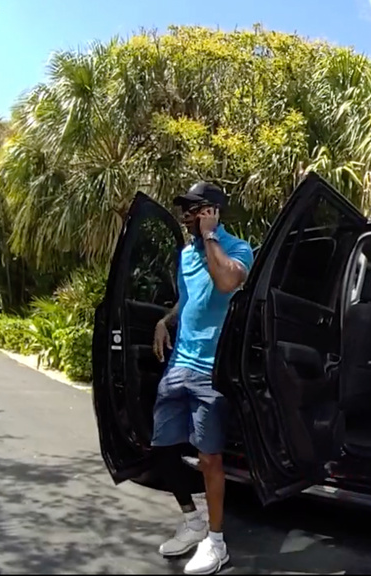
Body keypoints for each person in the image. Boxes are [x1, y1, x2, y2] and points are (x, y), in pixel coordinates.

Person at [150, 181, 254, 575]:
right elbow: (188, 298)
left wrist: (211, 236)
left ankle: (216, 542)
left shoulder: (238, 249)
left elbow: (227, 282)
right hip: (179, 365)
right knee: (162, 447)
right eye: (185, 210)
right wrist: (165, 320)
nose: (185, 216)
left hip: (212, 371)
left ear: (211, 212)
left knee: (210, 458)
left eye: (193, 210)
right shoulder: (186, 254)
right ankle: (192, 521)